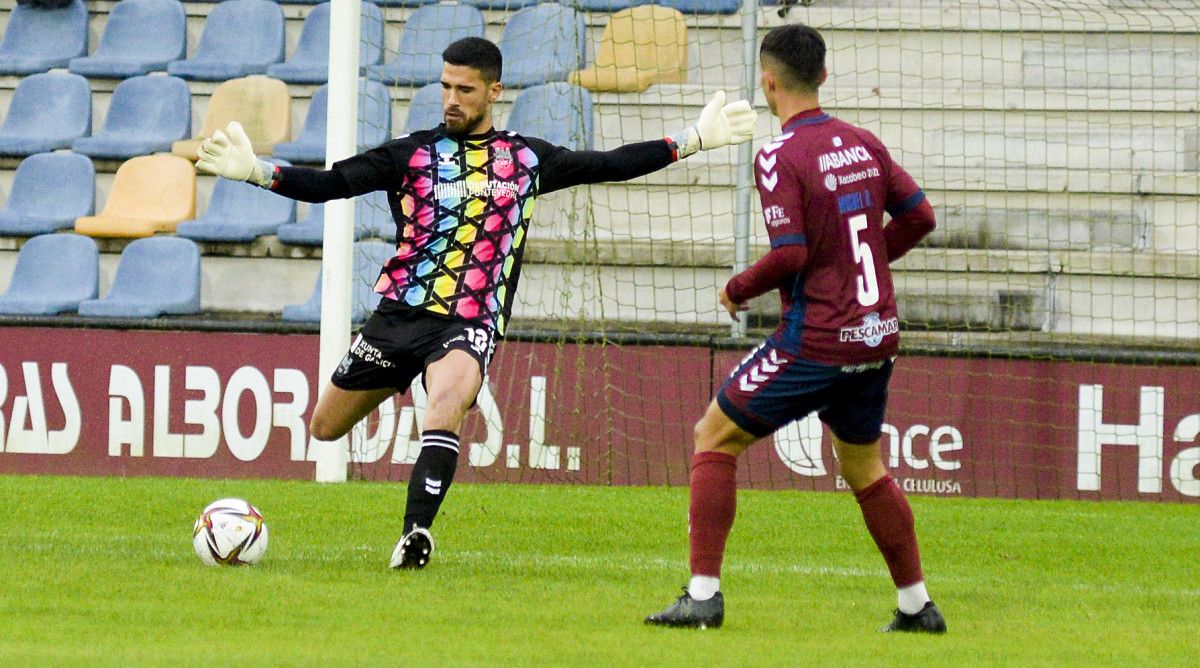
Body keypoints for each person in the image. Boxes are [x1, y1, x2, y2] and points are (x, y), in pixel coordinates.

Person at [195, 37, 757, 571]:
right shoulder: (411, 154)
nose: (451, 100)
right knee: (323, 427)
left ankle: (416, 533)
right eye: (445, 87)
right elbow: (333, 183)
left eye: (464, 90)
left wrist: (693, 139)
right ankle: (407, 458)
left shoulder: (526, 160)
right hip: (398, 315)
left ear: (494, 92)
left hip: (468, 320)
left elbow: (608, 164)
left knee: (444, 408)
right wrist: (256, 172)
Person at [644, 24, 944, 632]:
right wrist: (864, 263)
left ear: (767, 81)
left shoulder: (779, 154)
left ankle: (703, 596)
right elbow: (920, 217)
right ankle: (917, 606)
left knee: (713, 436)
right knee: (865, 470)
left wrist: (736, 289)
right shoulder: (863, 142)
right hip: (876, 335)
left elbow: (790, 256)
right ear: (824, 77)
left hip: (819, 339)